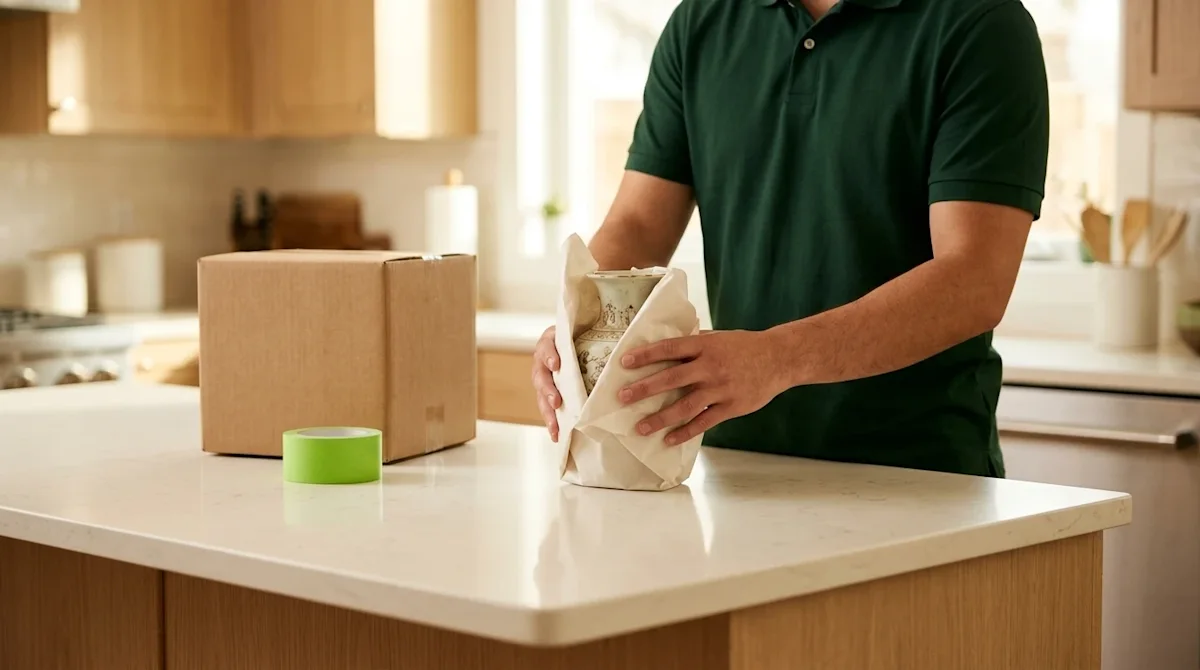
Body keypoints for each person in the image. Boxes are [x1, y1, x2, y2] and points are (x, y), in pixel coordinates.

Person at [531, 0, 1050, 477]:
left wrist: (776, 358)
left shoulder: (981, 25)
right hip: (739, 470)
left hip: (922, 476)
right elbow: (638, 225)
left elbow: (973, 280)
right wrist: (575, 318)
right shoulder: (702, 22)